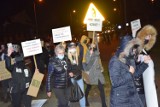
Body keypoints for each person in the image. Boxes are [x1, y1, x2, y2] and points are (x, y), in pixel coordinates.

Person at [108, 35, 151, 107]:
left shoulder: (130, 57)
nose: (134, 51)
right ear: (127, 48)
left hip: (132, 94)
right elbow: (115, 82)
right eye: (133, 49)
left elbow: (135, 73)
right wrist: (130, 73)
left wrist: (145, 64)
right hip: (120, 99)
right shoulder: (115, 61)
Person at [136, 25, 158, 107]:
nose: (148, 38)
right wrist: (139, 61)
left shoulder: (144, 50)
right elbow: (134, 69)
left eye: (150, 36)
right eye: (147, 35)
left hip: (143, 84)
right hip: (138, 86)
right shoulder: (135, 49)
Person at [67, 42, 86, 107]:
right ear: (69, 49)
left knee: (82, 93)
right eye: (71, 47)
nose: (73, 49)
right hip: (71, 79)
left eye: (74, 47)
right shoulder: (67, 58)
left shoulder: (78, 57)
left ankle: (83, 106)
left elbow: (82, 50)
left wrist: (79, 44)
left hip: (79, 77)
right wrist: (69, 72)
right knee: (71, 94)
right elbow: (65, 67)